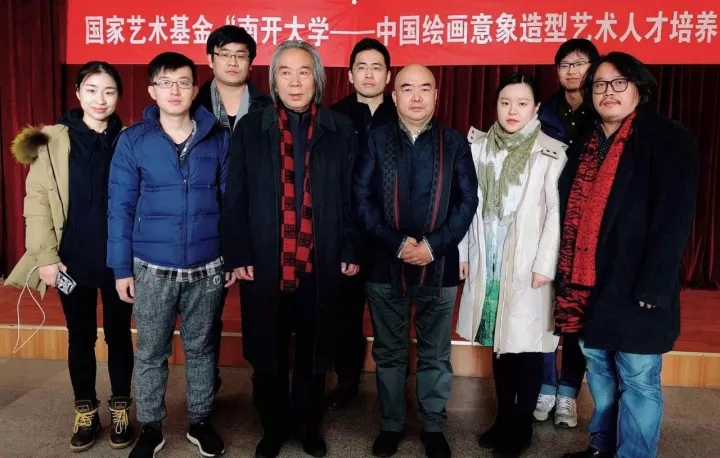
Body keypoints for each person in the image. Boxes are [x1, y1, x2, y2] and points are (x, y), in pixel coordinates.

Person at [222, 40, 360, 458]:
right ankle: (273, 428)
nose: (295, 82)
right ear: (273, 80)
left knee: (315, 351)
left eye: (304, 72)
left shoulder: (339, 129)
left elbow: (353, 196)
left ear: (317, 79)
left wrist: (350, 246)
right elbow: (235, 195)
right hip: (266, 260)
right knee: (268, 351)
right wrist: (239, 253)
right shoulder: (251, 128)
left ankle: (308, 425)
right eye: (285, 72)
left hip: (321, 257)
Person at [556, 52, 698, 458]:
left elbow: (674, 218)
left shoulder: (668, 138)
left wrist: (654, 285)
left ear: (639, 88)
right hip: (588, 286)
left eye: (619, 83)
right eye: (600, 84)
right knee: (600, 374)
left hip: (638, 286)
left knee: (638, 380)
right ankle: (603, 447)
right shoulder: (584, 140)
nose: (609, 92)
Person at [107, 52, 234, 458]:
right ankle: (151, 427)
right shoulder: (133, 141)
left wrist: (231, 258)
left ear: (196, 90)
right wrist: (121, 268)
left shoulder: (218, 138)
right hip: (151, 268)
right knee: (150, 352)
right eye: (165, 82)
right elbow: (120, 207)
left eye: (183, 82)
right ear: (152, 90)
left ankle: (200, 421)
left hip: (207, 266)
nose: (175, 90)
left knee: (202, 349)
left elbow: (231, 205)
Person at [6, 61, 134, 453]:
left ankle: (120, 406)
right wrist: (45, 256)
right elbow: (37, 201)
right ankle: (85, 409)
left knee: (120, 335)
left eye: (109, 91)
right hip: (70, 260)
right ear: (78, 93)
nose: (100, 99)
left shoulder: (130, 139)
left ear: (119, 96)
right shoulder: (51, 139)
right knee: (80, 336)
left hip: (118, 261)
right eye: (91, 90)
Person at [354, 63, 478, 458]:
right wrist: (396, 243)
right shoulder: (376, 141)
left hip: (439, 268)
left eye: (425, 88)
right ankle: (391, 424)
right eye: (407, 88)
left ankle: (433, 426)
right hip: (385, 265)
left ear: (437, 95)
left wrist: (433, 246)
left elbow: (467, 201)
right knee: (389, 352)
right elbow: (361, 198)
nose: (417, 96)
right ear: (395, 96)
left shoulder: (454, 143)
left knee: (435, 353)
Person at [457, 72, 567, 458]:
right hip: (488, 260)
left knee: (528, 346)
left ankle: (522, 426)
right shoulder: (478, 147)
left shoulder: (551, 151)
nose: (512, 110)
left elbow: (555, 215)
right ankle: (503, 419)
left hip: (527, 266)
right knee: (500, 346)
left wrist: (545, 265)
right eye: (505, 102)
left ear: (536, 108)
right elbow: (466, 206)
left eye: (522, 103)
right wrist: (464, 254)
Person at [195, 24, 272, 395]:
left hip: (258, 227)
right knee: (205, 317)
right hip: (205, 226)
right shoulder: (191, 106)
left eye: (240, 55)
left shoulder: (268, 108)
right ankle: (205, 387)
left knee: (263, 314)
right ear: (210, 60)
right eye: (224, 54)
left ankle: (265, 383)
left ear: (251, 63)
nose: (232, 62)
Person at [328, 37, 397, 410]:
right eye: (362, 67)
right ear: (351, 75)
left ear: (388, 75)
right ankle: (347, 380)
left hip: (392, 234)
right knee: (345, 313)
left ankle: (394, 384)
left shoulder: (402, 114)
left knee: (392, 313)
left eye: (377, 67)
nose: (369, 74)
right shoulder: (333, 117)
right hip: (346, 232)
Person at [535, 38, 600, 429]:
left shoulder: (604, 112)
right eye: (565, 64)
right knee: (543, 306)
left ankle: (568, 391)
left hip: (587, 228)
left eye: (581, 63)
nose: (572, 71)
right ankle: (545, 384)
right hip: (545, 221)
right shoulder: (541, 112)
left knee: (577, 309)